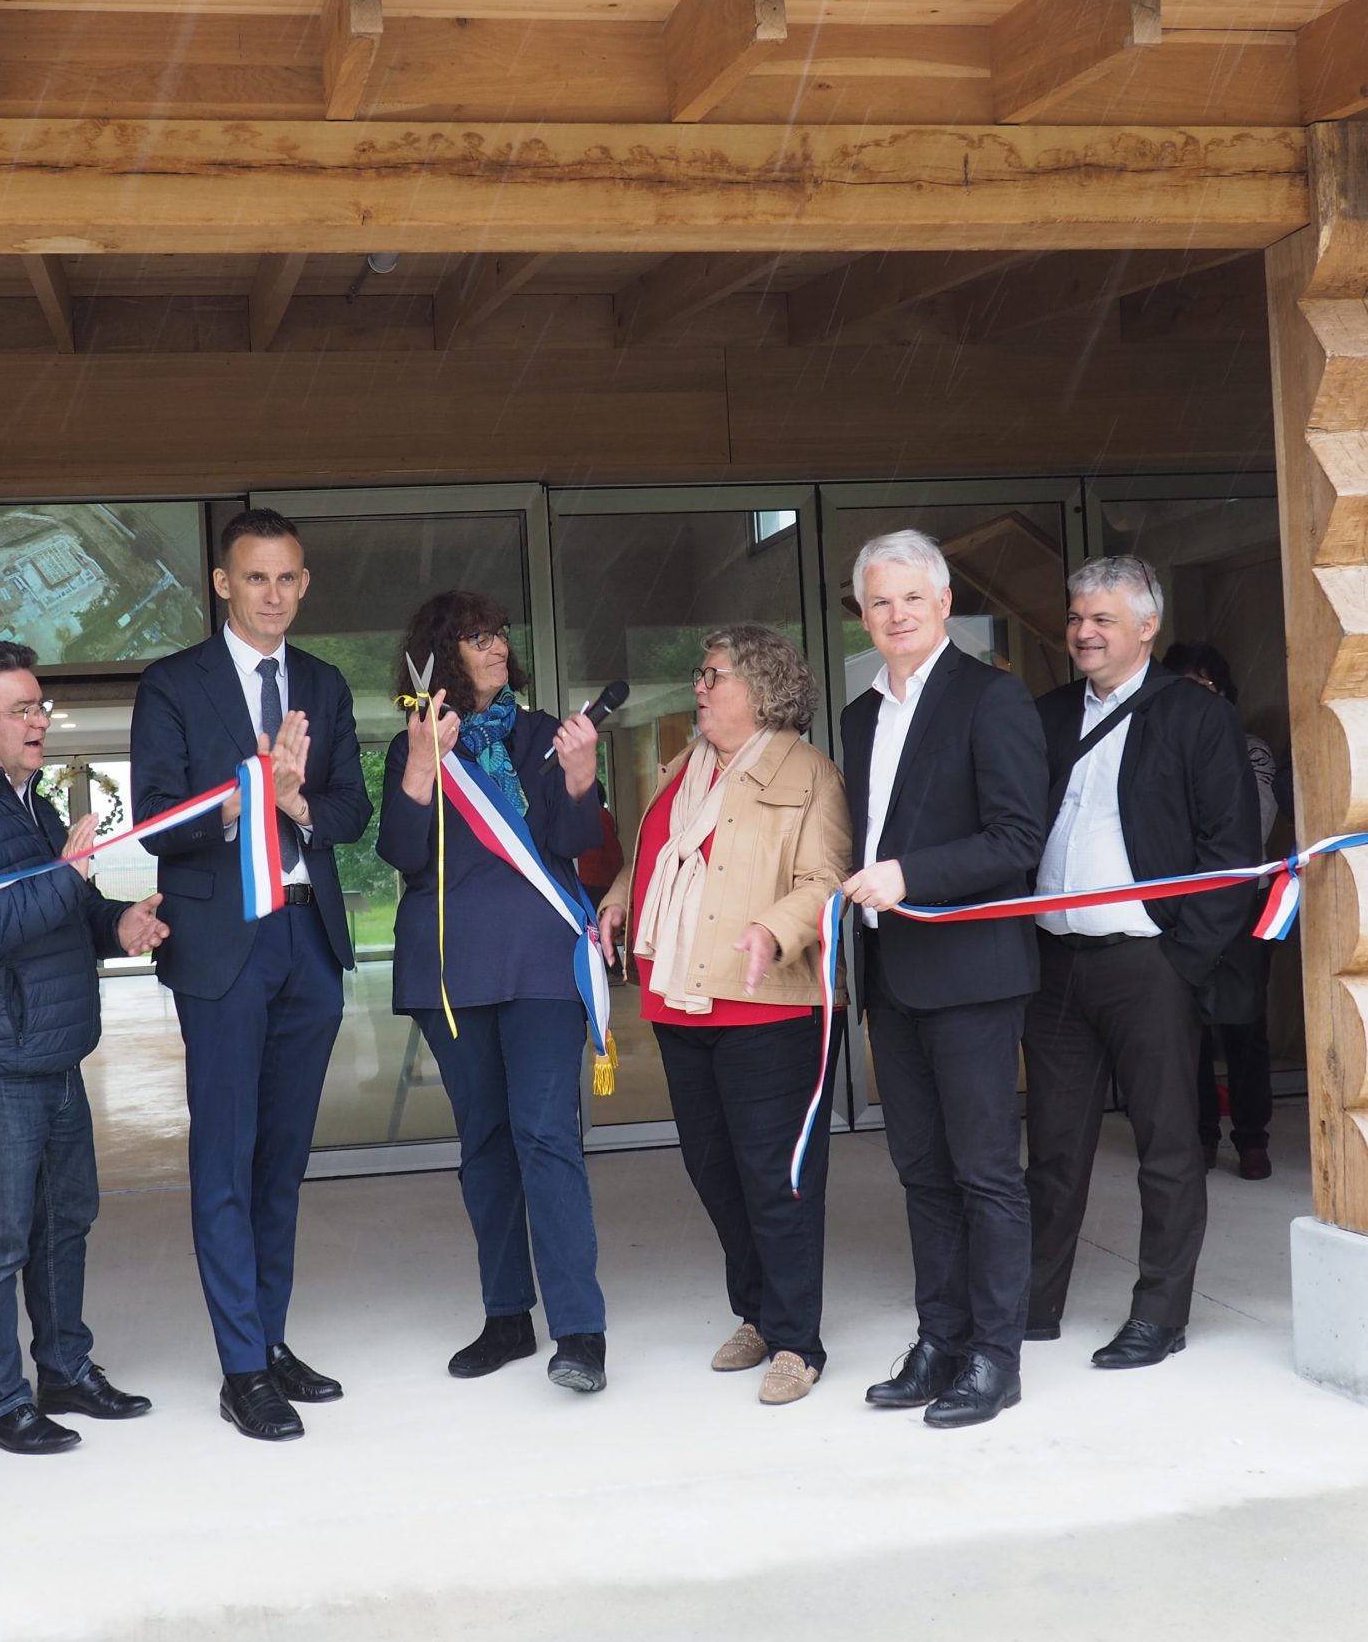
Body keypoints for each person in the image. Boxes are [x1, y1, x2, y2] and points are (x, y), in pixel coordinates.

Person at [0, 642, 169, 1455]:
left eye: (40, 706)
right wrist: (71, 874)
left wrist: (114, 921)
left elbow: (54, 904)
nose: (40, 720)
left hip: (46, 1047)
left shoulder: (24, 798)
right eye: (22, 709)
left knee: (64, 1219)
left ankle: (65, 1371)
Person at [131, 509, 371, 1442]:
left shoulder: (322, 682)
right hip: (224, 943)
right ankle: (241, 1368)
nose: (274, 594)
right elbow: (155, 816)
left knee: (282, 1161)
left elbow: (349, 808)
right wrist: (247, 800)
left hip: (307, 939)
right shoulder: (174, 685)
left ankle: (268, 1339)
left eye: (289, 579)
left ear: (304, 585)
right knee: (226, 1159)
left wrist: (298, 798)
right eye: (256, 578)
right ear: (223, 585)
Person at [594, 625, 850, 1406]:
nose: (699, 687)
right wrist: (616, 896)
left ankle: (798, 1342)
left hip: (764, 1006)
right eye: (701, 675)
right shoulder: (686, 766)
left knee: (777, 1179)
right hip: (681, 1003)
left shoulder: (808, 772)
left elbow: (826, 879)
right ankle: (758, 1313)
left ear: (763, 687)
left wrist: (773, 927)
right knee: (715, 1173)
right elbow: (655, 858)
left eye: (713, 675)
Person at [1024, 562, 1257, 1369]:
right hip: (1054, 961)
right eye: (1077, 617)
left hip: (1148, 964)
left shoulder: (1196, 718)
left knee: (1166, 1146)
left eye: (1104, 619)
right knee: (1053, 1146)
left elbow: (1232, 856)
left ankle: (1159, 1313)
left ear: (1147, 627)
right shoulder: (1047, 715)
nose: (1084, 632)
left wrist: (1180, 961)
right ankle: (1033, 1300)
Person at [839, 530, 1047, 1428]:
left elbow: (1015, 840)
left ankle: (995, 1357)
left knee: (986, 1174)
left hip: (971, 973)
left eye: (910, 600)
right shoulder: (858, 715)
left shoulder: (991, 698)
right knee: (920, 1171)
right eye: (880, 602)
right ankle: (941, 1339)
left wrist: (908, 874)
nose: (895, 616)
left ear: (943, 603)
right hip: (892, 975)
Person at [379, 591, 610, 1393]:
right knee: (484, 1145)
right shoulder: (414, 742)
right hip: (451, 968)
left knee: (547, 1134)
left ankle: (580, 1330)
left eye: (502, 633)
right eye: (480, 637)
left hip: (542, 962)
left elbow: (573, 844)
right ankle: (508, 1316)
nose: (499, 646)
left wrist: (581, 782)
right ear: (446, 651)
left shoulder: (542, 733)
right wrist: (420, 764)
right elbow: (404, 856)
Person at [1163, 640, 1279, 1182]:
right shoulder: (1154, 748)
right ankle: (1202, 1135)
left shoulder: (1249, 748)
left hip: (1241, 909)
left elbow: (1250, 828)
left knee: (1245, 1030)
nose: (1193, 697)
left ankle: (1252, 1139)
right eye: (1180, 684)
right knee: (1186, 1033)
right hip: (1173, 911)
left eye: (1204, 686)